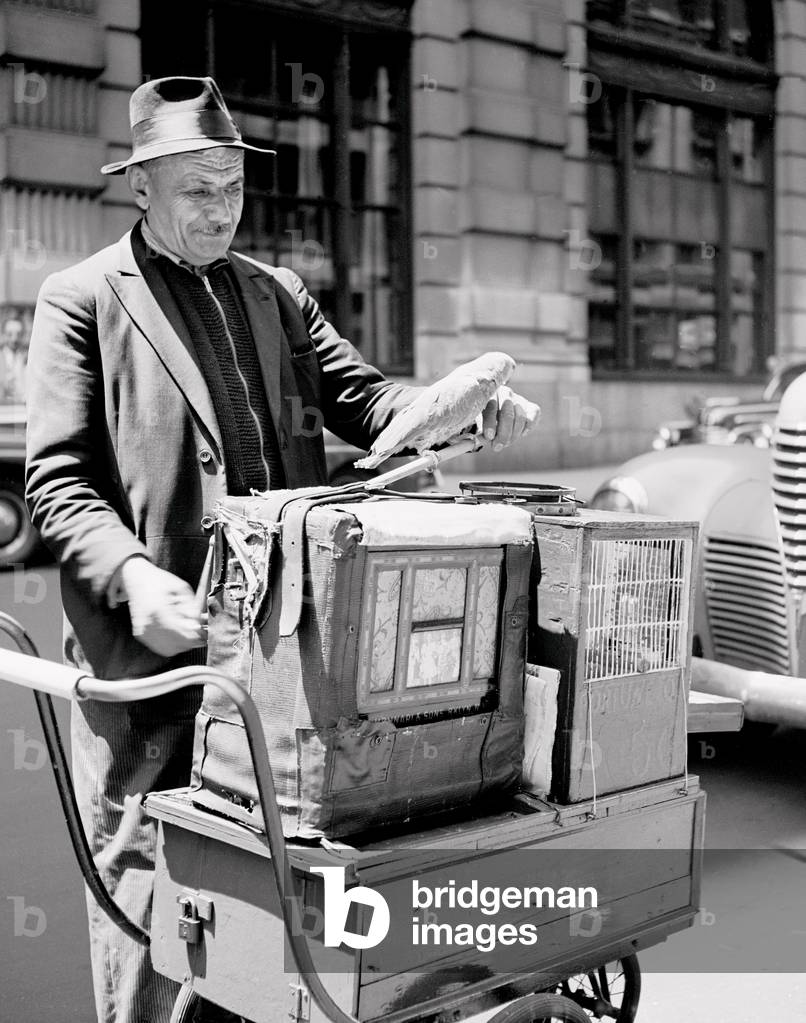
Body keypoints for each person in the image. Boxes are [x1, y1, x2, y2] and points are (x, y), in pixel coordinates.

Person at [24, 76, 539, 1023]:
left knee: (269, 884)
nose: (222, 209)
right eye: (198, 190)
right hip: (155, 660)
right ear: (141, 186)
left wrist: (454, 411)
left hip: (276, 654)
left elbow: (373, 407)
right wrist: (133, 576)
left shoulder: (278, 294)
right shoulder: (81, 298)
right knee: (148, 887)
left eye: (232, 187)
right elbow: (57, 485)